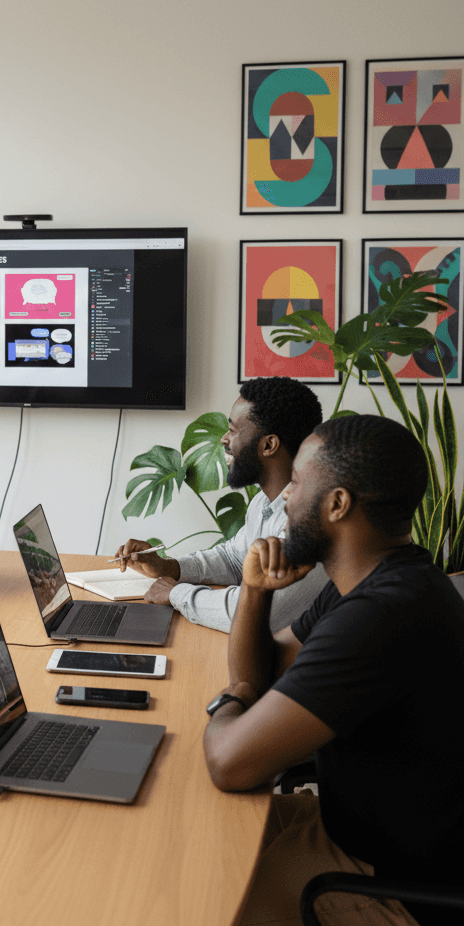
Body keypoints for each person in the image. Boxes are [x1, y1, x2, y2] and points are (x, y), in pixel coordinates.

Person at [203, 414, 464, 926]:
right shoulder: (374, 579)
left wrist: (230, 695)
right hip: (350, 828)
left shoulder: (381, 615)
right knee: (191, 829)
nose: (285, 500)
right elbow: (269, 666)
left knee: (203, 901)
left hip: (390, 886)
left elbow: (230, 763)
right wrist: (254, 591)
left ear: (337, 504)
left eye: (297, 483)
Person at [116, 376, 327, 632]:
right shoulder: (263, 501)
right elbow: (234, 559)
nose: (224, 439)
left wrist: (177, 593)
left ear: (269, 444)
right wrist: (167, 566)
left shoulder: (309, 520)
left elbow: (257, 613)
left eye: (234, 430)